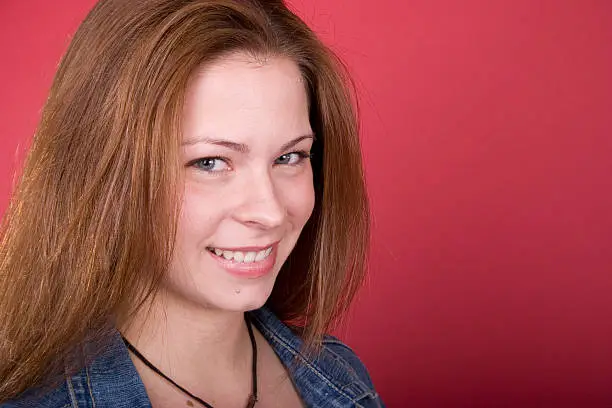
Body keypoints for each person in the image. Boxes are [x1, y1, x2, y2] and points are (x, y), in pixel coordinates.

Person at [0, 0, 382, 406]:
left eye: (288, 157)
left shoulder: (342, 377)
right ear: (107, 174)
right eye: (210, 162)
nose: (270, 212)